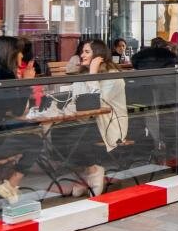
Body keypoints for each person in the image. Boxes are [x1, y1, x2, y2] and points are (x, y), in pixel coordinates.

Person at [56, 40, 130, 196]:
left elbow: (99, 102)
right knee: (58, 133)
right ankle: (88, 172)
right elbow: (76, 99)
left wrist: (92, 74)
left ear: (99, 56)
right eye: (82, 51)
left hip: (109, 124)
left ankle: (94, 170)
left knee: (76, 136)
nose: (82, 55)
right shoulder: (83, 74)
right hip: (87, 120)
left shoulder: (114, 76)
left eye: (87, 52)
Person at [0, 36, 42, 203]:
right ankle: (10, 185)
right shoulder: (4, 76)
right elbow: (17, 110)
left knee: (23, 135)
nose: (21, 56)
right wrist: (26, 83)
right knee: (36, 142)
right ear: (10, 53)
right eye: (19, 52)